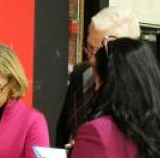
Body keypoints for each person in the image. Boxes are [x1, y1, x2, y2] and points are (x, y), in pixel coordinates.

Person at [56, 6, 140, 148]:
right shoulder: (81, 77)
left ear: (127, 53)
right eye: (89, 48)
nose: (92, 60)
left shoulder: (144, 98)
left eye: (101, 52)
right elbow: (63, 131)